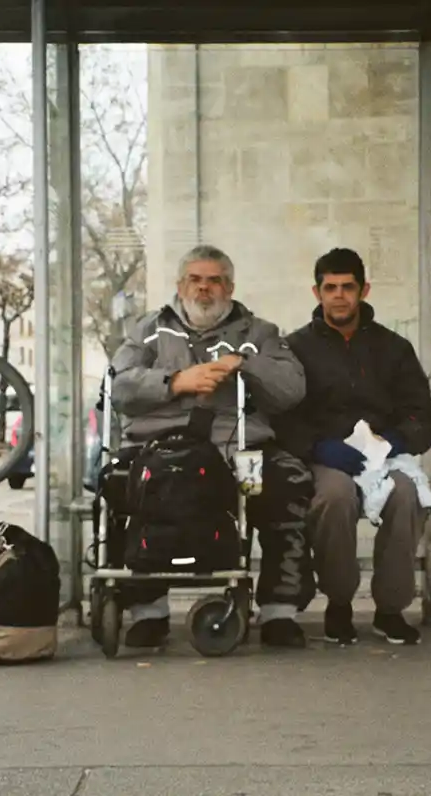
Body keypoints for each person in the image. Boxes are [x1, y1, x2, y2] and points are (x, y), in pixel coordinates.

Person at [108, 244, 316, 649]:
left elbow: (292, 390)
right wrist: (174, 382)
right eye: (195, 280)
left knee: (286, 483)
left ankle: (279, 612)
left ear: (230, 287)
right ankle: (148, 612)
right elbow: (117, 385)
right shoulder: (149, 330)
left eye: (214, 281)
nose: (204, 289)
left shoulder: (259, 333)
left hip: (236, 451)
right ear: (180, 285)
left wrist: (245, 364)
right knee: (117, 485)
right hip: (159, 450)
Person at [277, 248, 431, 646]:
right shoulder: (295, 348)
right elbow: (282, 418)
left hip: (385, 455)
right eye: (330, 287)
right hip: (326, 456)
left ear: (364, 290)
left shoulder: (394, 348)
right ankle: (339, 602)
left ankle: (390, 609)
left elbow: (422, 416)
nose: (339, 296)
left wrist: (396, 440)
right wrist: (318, 448)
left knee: (406, 495)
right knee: (335, 496)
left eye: (347, 287)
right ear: (317, 292)